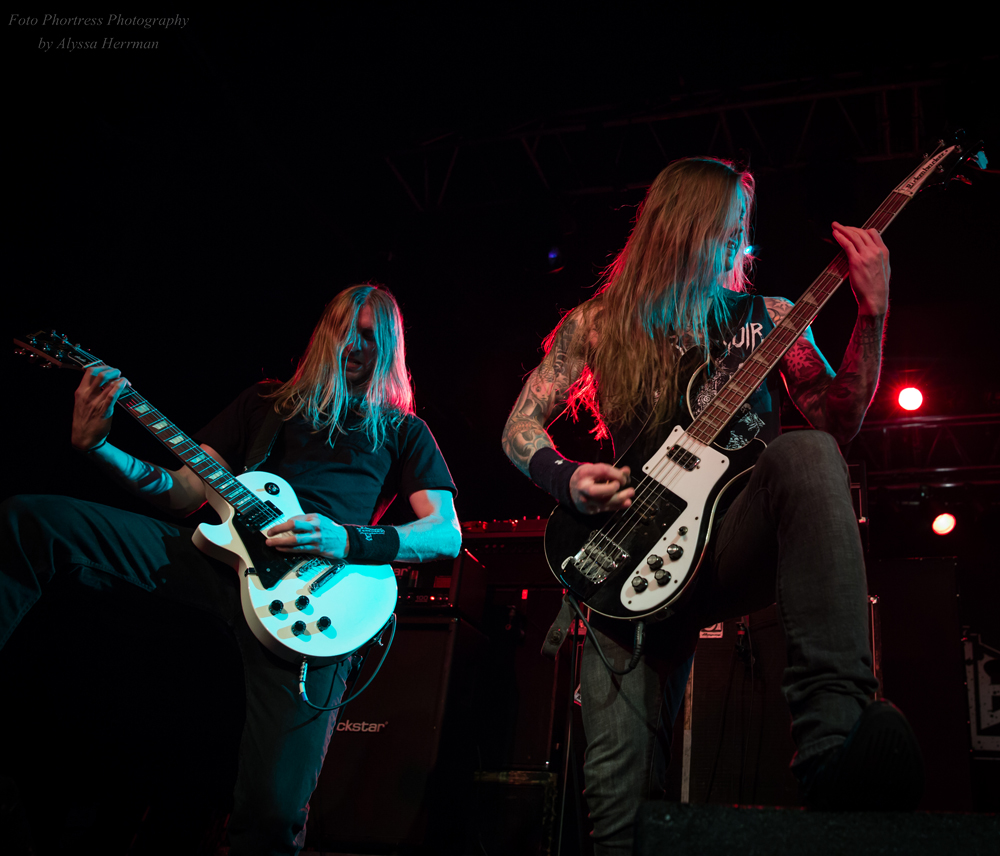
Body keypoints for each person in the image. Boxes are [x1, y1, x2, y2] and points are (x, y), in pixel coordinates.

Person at [502, 157, 922, 854]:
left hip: (728, 539)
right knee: (620, 810)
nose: (736, 248)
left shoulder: (771, 318)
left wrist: (871, 315)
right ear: (681, 227)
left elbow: (835, 423)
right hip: (626, 556)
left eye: (740, 235)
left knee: (810, 452)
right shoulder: (599, 323)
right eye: (724, 232)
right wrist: (565, 476)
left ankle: (835, 735)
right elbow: (518, 426)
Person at [1, 284, 461, 855]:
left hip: (311, 606)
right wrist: (100, 448)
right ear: (323, 334)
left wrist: (346, 538)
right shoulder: (267, 404)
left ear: (389, 347)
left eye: (370, 335)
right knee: (33, 519)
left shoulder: (401, 431)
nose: (354, 345)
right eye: (345, 330)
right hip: (215, 560)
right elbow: (182, 493)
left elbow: (443, 534)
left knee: (272, 816)